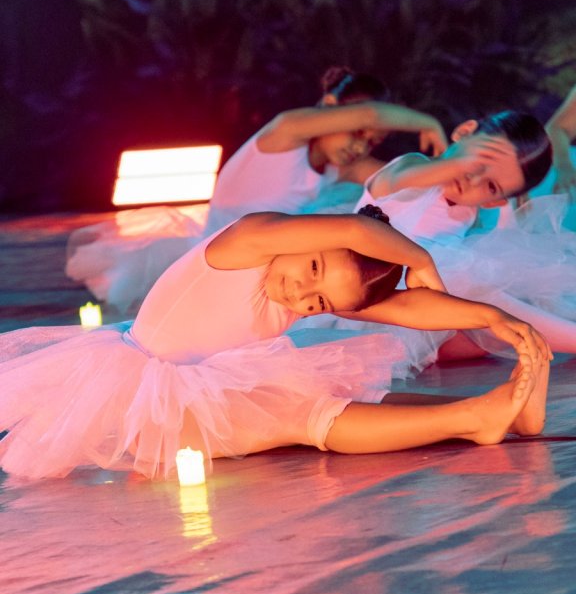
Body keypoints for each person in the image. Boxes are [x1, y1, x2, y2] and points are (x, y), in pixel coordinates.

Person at [0, 209, 550, 485]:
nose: (301, 295)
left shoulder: (300, 287)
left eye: (319, 302)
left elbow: (404, 308)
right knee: (299, 412)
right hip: (151, 403)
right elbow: (352, 231)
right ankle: (472, 419)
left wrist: (493, 318)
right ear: (308, 236)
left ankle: (502, 408)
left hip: (197, 389)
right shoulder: (247, 242)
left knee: (341, 389)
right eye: (312, 269)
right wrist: (420, 259)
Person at [65, 67, 447, 313]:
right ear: (330, 108)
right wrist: (428, 123)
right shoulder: (284, 133)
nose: (361, 146)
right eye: (356, 131)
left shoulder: (338, 167)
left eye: (372, 141)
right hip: (220, 251)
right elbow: (371, 112)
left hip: (266, 261)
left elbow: (398, 176)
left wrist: (458, 167)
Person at [299, 111, 576, 358]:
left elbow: (495, 249)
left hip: (422, 309)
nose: (472, 179)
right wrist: (459, 164)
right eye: (478, 163)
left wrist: (504, 208)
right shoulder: (410, 167)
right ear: (464, 132)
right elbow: (402, 179)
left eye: (490, 186)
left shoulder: (471, 212)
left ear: (494, 201)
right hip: (367, 297)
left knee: (491, 322)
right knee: (468, 283)